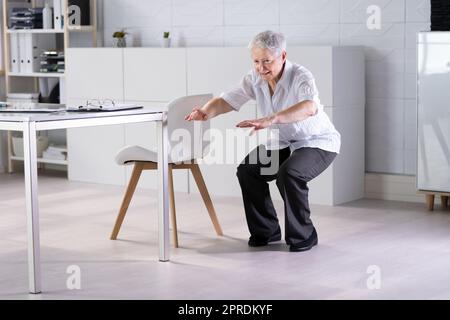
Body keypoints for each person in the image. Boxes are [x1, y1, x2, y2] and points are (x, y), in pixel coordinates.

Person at [185, 31, 340, 252]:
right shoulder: (255, 78)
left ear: (283, 55)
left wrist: (272, 118)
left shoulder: (301, 76)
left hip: (316, 142)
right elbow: (226, 100)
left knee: (289, 174)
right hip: (284, 142)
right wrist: (205, 112)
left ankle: (304, 235)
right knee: (248, 171)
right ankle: (266, 231)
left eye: (267, 61)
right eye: (256, 61)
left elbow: (309, 107)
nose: (261, 68)